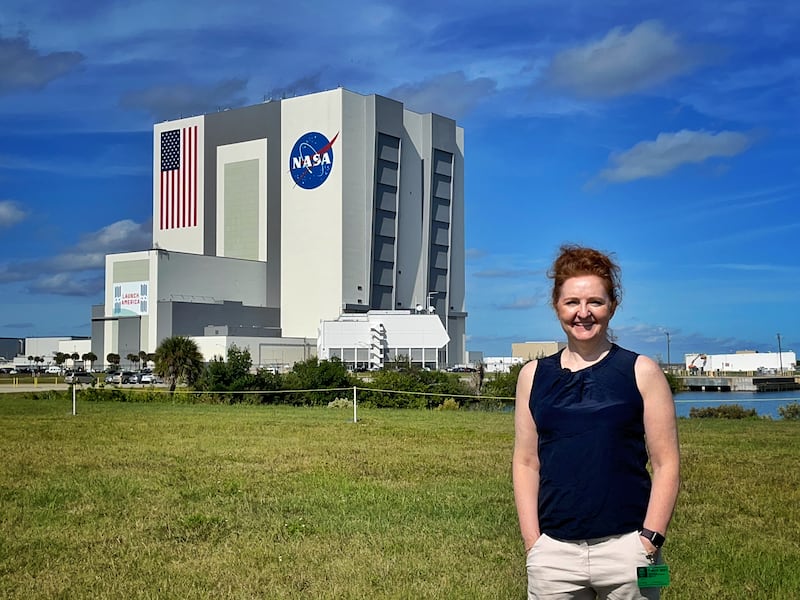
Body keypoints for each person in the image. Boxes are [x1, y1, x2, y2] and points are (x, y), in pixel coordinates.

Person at [512, 245, 680, 600]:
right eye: (572, 302)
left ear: (612, 306)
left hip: (630, 551)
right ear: (556, 304)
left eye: (595, 302)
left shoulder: (642, 372)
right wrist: (533, 544)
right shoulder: (532, 376)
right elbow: (526, 462)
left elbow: (667, 464)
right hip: (553, 557)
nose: (583, 313)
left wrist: (650, 541)